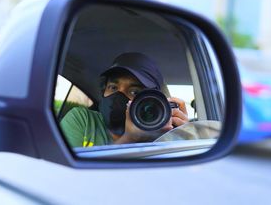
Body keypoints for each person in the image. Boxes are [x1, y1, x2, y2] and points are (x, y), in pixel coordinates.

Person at [60, 52, 189, 148]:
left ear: (155, 103)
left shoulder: (163, 133)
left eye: (134, 92)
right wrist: (131, 138)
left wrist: (182, 136)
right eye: (113, 87)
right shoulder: (83, 120)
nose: (118, 96)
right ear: (103, 91)